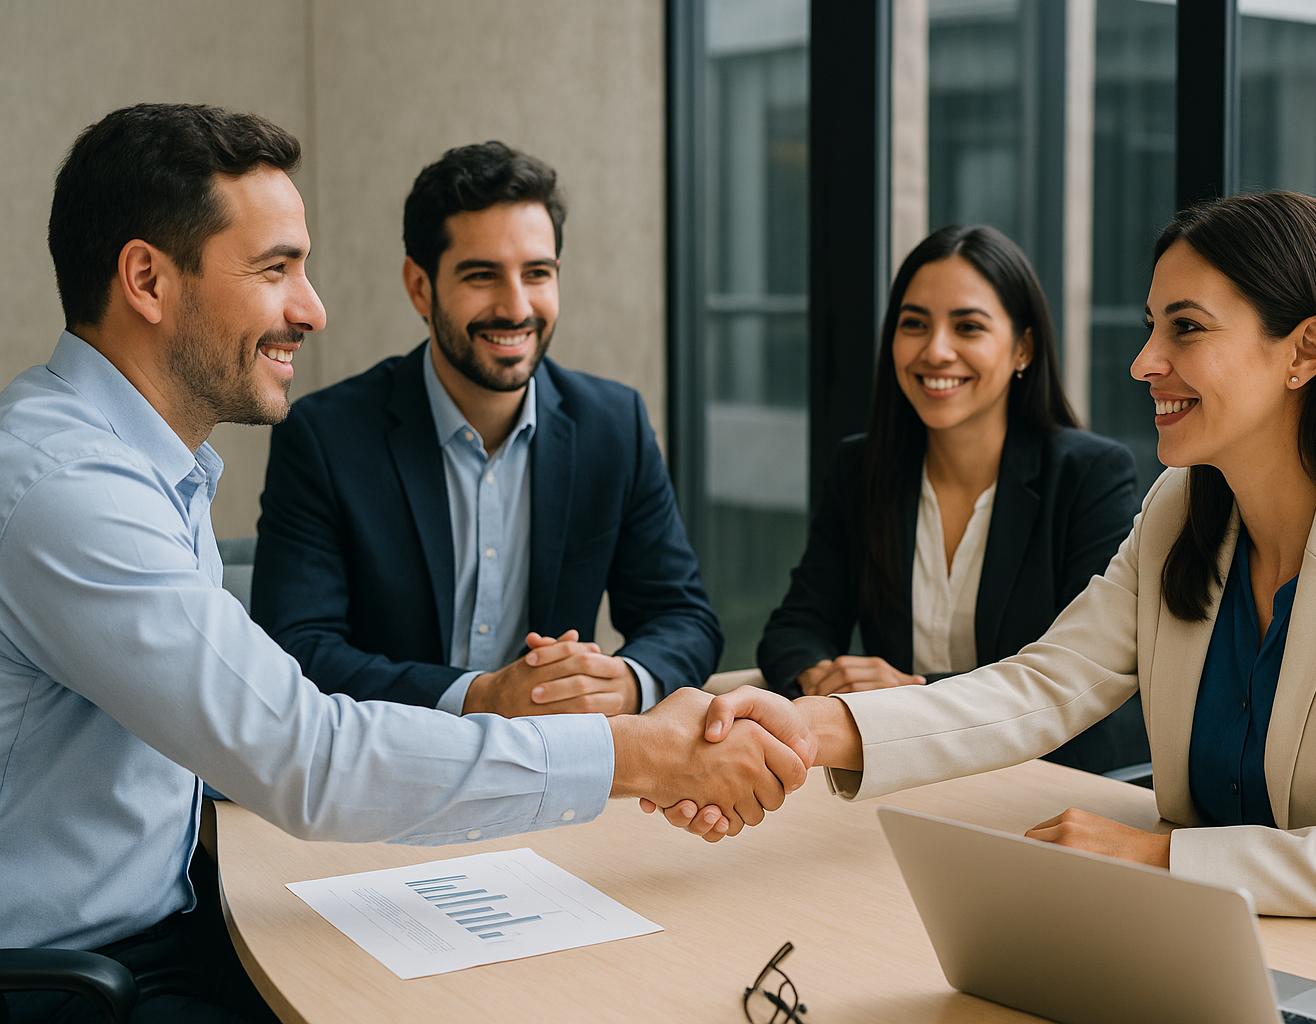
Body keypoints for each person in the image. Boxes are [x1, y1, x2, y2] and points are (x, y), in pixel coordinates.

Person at [0, 104, 804, 1024]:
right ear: (146, 278)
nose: (312, 309)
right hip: (70, 979)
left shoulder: (144, 465)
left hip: (164, 923)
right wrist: (637, 756)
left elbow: (230, 727)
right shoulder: (72, 489)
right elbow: (304, 752)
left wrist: (620, 698)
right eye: (276, 270)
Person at [681, 191, 1316, 923]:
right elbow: (1042, 683)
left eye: (1186, 329)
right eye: (1150, 326)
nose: (1143, 362)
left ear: (1303, 352)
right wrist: (808, 727)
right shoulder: (1182, 513)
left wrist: (1154, 857)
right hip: (1238, 940)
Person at [251, 142, 721, 721]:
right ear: (420, 287)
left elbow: (683, 618)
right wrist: (479, 697)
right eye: (482, 276)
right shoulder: (325, 437)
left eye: (537, 274)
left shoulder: (613, 424)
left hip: (556, 780)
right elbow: (297, 650)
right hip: (392, 779)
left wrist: (625, 681)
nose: (516, 307)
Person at [756, 225, 1147, 774]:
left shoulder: (1089, 475)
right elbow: (795, 628)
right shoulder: (861, 467)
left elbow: (1081, 682)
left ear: (1022, 349)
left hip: (1045, 782)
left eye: (967, 327)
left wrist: (908, 695)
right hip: (893, 780)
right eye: (914, 324)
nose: (936, 351)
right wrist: (822, 675)